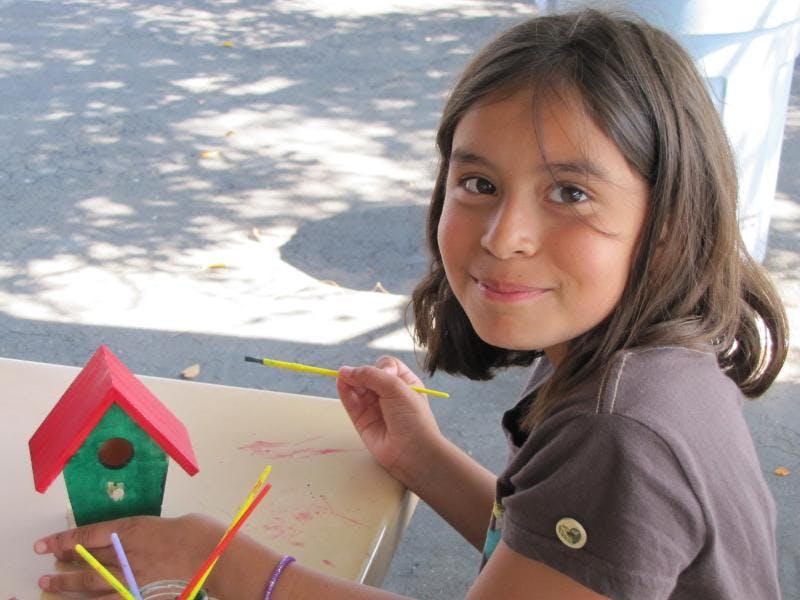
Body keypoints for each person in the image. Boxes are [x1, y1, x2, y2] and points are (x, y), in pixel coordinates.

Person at [33, 8, 788, 600]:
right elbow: (539, 557)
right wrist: (425, 460)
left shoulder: (620, 433)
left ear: (670, 223)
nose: (506, 235)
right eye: (480, 183)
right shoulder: (623, 357)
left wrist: (221, 562)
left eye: (571, 193)